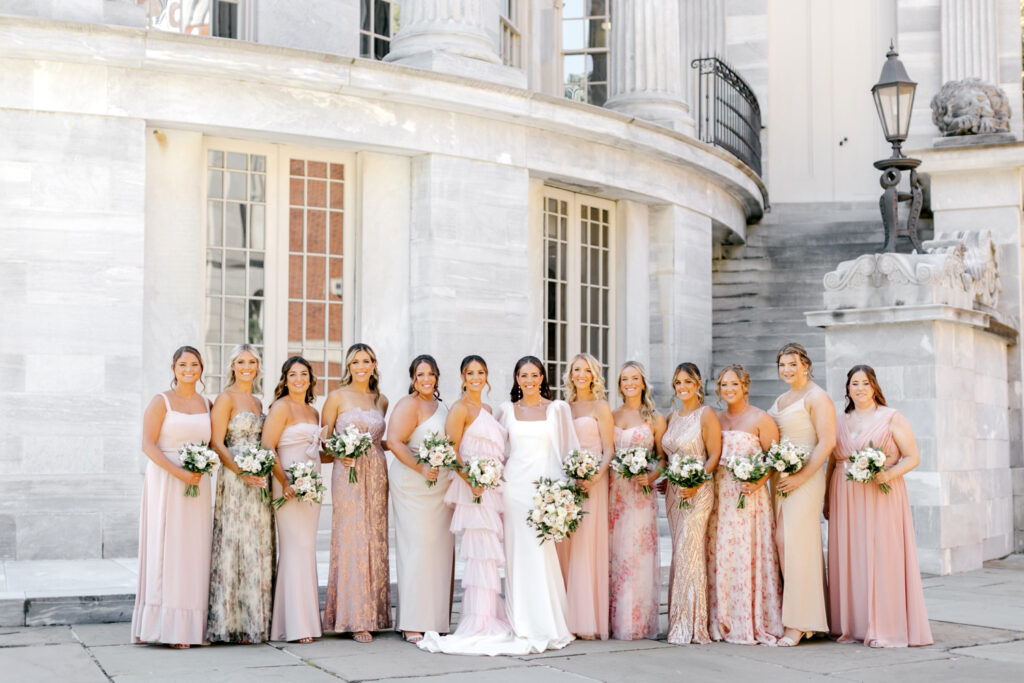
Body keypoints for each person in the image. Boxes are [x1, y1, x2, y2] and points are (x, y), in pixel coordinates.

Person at [827, 365, 933, 647]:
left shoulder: (891, 417)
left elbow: (912, 457)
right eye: (854, 384)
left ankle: (885, 625)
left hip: (881, 492)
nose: (859, 388)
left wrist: (888, 474)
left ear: (874, 386)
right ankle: (852, 624)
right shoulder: (838, 420)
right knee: (850, 555)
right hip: (844, 493)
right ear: (847, 389)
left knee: (881, 555)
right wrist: (826, 498)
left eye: (864, 383)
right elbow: (832, 462)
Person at [419, 355, 516, 655]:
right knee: (478, 553)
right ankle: (477, 620)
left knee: (488, 554)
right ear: (462, 377)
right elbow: (451, 452)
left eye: (481, 372)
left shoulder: (488, 409)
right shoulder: (459, 409)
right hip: (472, 488)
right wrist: (471, 479)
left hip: (489, 488)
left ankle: (489, 616)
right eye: (470, 372)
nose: (476, 377)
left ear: (487, 376)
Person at [131, 346, 214, 648]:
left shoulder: (207, 403)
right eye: (183, 364)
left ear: (201, 369)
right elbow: (148, 445)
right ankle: (167, 628)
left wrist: (204, 466)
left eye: (194, 364)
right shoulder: (161, 401)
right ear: (174, 368)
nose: (189, 369)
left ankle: (193, 627)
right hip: (166, 479)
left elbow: (213, 443)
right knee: (168, 549)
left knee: (194, 551)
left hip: (197, 483)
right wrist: (178, 472)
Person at [497, 356, 577, 653]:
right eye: (523, 376)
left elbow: (568, 453)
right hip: (514, 490)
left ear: (542, 377)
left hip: (544, 494)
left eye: (534, 375)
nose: (528, 381)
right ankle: (520, 621)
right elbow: (497, 450)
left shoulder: (557, 409)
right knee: (517, 555)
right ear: (516, 379)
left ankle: (546, 621)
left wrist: (563, 495)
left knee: (542, 556)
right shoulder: (506, 411)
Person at [707, 365, 783, 645]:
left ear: (745, 386)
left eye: (734, 385)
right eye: (724, 385)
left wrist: (759, 481)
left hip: (749, 497)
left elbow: (775, 459)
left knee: (745, 553)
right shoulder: (715, 419)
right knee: (722, 554)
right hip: (720, 498)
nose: (728, 390)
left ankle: (749, 619)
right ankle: (721, 619)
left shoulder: (761, 418)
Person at [321, 343, 392, 643]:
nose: (361, 367)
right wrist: (339, 452)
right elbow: (321, 442)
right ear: (348, 367)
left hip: (376, 472)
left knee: (374, 538)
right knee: (352, 537)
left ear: (374, 364)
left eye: (366, 361)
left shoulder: (381, 399)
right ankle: (352, 617)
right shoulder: (336, 397)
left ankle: (373, 614)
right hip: (347, 473)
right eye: (355, 362)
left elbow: (383, 441)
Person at [768, 342, 835, 647]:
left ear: (806, 365)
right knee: (784, 543)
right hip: (781, 479)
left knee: (793, 542)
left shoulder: (817, 397)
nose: (787, 369)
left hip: (805, 479)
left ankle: (798, 623)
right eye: (782, 365)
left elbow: (827, 442)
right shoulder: (782, 398)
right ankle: (806, 617)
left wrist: (802, 477)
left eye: (792, 364)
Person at [207, 344, 274, 644]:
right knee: (235, 542)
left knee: (257, 543)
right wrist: (241, 471)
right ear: (232, 366)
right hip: (235, 480)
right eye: (241, 362)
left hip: (260, 480)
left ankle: (254, 622)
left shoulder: (259, 402)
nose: (247, 367)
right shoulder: (226, 399)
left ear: (258, 366)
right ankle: (230, 623)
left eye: (252, 362)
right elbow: (217, 443)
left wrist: (260, 471)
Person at [387, 354, 453, 643]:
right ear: (413, 379)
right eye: (420, 375)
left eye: (430, 374)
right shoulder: (408, 405)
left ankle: (435, 619)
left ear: (437, 376)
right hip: (412, 485)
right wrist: (421, 467)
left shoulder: (442, 406)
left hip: (439, 488)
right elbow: (393, 441)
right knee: (416, 548)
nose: (426, 379)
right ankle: (412, 621)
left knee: (438, 550)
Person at [662, 362, 721, 645]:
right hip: (674, 493)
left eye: (687, 382)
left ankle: (692, 625)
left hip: (699, 491)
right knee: (680, 551)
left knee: (690, 549)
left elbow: (714, 456)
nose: (682, 387)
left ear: (698, 384)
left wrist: (696, 481)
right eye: (677, 383)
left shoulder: (706, 414)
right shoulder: (672, 416)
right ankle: (678, 619)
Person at [265, 356, 323, 643]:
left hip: (311, 487)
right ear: (285, 379)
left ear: (311, 378)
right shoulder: (281, 407)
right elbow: (268, 445)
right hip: (286, 485)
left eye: (304, 374)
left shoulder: (313, 412)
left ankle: (305, 622)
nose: (299, 379)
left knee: (306, 547)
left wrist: (345, 453)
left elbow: (316, 451)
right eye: (293, 374)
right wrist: (284, 481)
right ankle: (295, 624)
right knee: (294, 547)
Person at [609, 361, 664, 640]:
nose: (629, 383)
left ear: (643, 383)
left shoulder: (654, 418)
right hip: (615, 493)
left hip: (641, 495)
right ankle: (614, 619)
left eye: (634, 378)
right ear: (619, 385)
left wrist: (652, 475)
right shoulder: (612, 415)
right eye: (624, 379)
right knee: (616, 554)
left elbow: (664, 459)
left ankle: (637, 622)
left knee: (637, 556)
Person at [562, 353, 614, 641]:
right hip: (568, 482)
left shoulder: (600, 406)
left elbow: (608, 449)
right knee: (567, 545)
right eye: (576, 370)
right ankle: (566, 616)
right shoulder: (564, 408)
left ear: (594, 375)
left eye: (586, 370)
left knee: (586, 546)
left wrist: (595, 476)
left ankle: (585, 619)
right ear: (570, 374)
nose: (581, 374)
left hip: (593, 483)